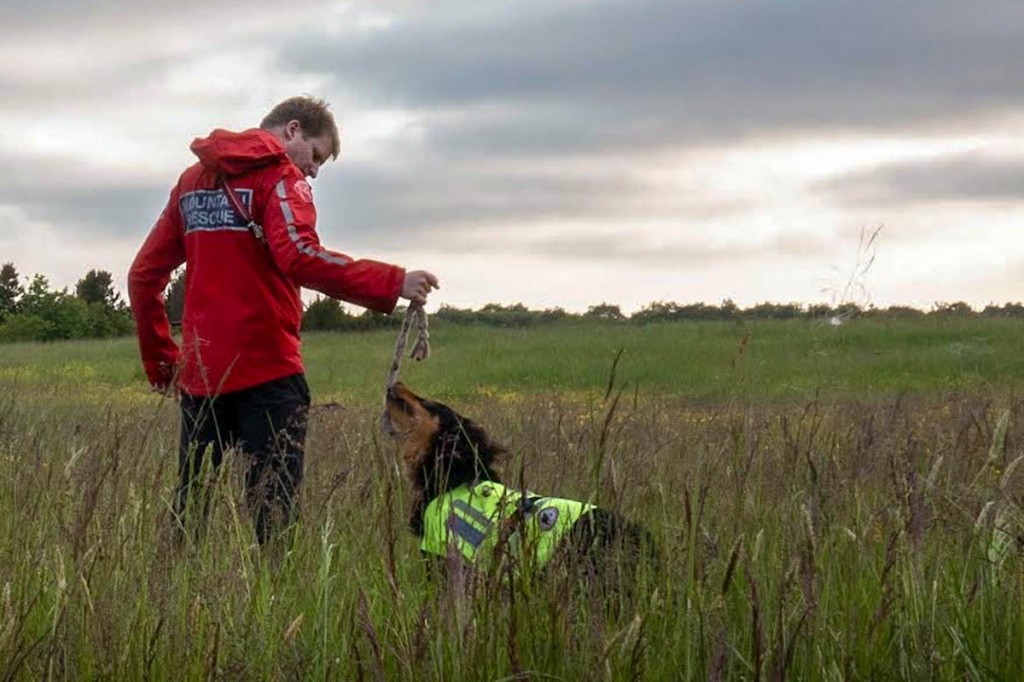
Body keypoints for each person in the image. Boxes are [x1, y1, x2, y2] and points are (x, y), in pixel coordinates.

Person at [128, 95, 438, 546]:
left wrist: (164, 363)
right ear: (292, 130)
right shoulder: (281, 179)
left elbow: (142, 277)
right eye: (315, 156)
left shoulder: (191, 183)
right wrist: (392, 283)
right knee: (274, 519)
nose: (313, 171)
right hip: (268, 374)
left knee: (189, 513)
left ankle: (175, 604)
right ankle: (273, 607)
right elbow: (301, 256)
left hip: (201, 377)